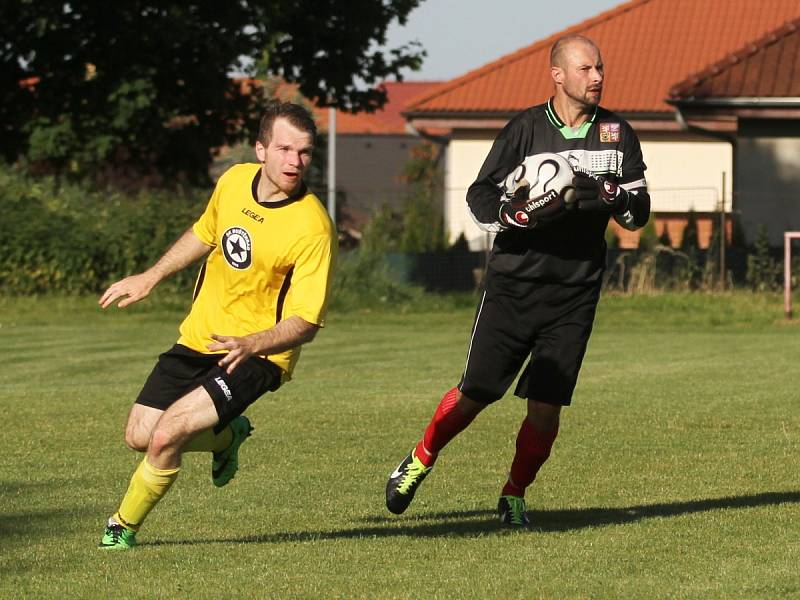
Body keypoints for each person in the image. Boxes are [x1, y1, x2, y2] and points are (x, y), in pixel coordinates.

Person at [385, 35, 650, 526]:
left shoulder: (617, 132)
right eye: (586, 68)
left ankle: (513, 495)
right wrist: (513, 217)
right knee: (475, 394)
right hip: (513, 285)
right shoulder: (524, 129)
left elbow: (638, 216)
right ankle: (421, 457)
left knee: (546, 407)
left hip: (574, 292)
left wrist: (614, 196)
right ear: (558, 75)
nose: (597, 77)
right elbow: (480, 195)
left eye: (600, 68)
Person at [98, 100, 336, 549]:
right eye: (285, 149)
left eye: (304, 153)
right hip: (199, 337)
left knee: (167, 435)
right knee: (139, 435)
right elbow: (205, 232)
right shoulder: (232, 182)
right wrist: (151, 276)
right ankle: (227, 436)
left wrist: (252, 342)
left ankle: (120, 529)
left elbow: (306, 321)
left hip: (258, 354)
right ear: (260, 150)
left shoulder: (313, 228)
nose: (295, 162)